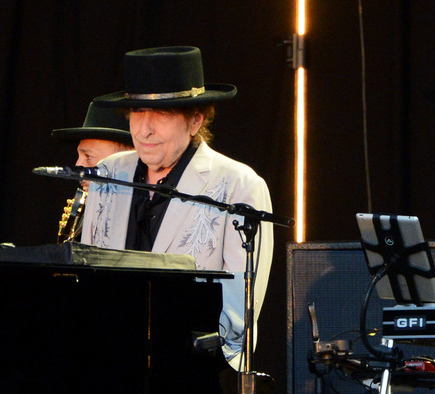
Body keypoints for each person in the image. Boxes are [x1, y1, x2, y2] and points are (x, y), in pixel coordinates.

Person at [81, 46, 274, 371]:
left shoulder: (240, 184)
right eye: (137, 113)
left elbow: (240, 310)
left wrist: (178, 354)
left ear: (196, 119)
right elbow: (88, 274)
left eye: (161, 114)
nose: (144, 130)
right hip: (109, 367)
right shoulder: (108, 174)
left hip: (194, 375)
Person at [51, 100, 133, 241]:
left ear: (129, 158)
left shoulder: (145, 214)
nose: (78, 164)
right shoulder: (84, 205)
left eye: (88, 156)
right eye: (79, 155)